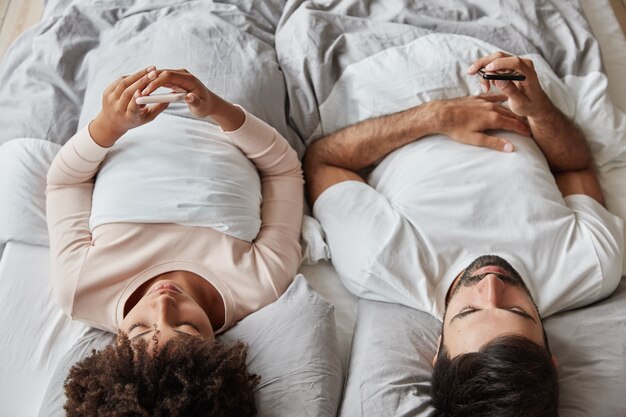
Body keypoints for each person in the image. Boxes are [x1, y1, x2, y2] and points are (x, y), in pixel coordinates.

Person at [304, 51, 624, 416]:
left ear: (437, 347)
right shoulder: (591, 264)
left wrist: (437, 116)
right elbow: (575, 166)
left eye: (468, 310)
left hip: (387, 84)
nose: (490, 282)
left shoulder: (379, 258)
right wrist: (539, 110)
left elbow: (324, 159)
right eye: (516, 310)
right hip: (517, 67)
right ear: (551, 357)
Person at [46, 66, 303, 416]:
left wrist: (109, 124)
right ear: (216, 350)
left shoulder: (82, 287)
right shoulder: (261, 283)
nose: (161, 304)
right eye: (186, 327)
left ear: (112, 349)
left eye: (137, 329)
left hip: (121, 92)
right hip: (235, 93)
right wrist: (217, 107)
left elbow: (65, 183)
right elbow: (284, 169)